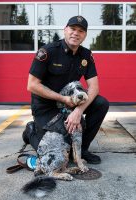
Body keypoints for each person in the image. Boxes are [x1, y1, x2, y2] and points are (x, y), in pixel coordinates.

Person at [23, 16, 109, 164]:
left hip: (71, 103)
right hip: (46, 106)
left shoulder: (86, 55)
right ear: (65, 30)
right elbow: (32, 85)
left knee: (101, 103)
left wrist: (78, 111)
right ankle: (30, 131)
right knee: (52, 149)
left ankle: (83, 149)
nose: (76, 33)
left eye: (81, 31)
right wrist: (62, 99)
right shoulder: (48, 51)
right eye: (73, 29)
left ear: (85, 35)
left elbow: (94, 87)